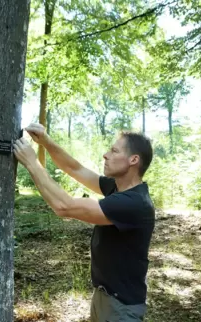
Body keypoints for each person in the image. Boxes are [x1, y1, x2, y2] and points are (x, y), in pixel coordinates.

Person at [13, 123, 155, 322]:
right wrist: (46, 141)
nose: (106, 155)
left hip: (121, 307)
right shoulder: (117, 187)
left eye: (114, 151)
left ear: (134, 160)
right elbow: (75, 168)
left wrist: (32, 163)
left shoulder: (134, 203)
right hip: (103, 296)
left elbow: (64, 206)